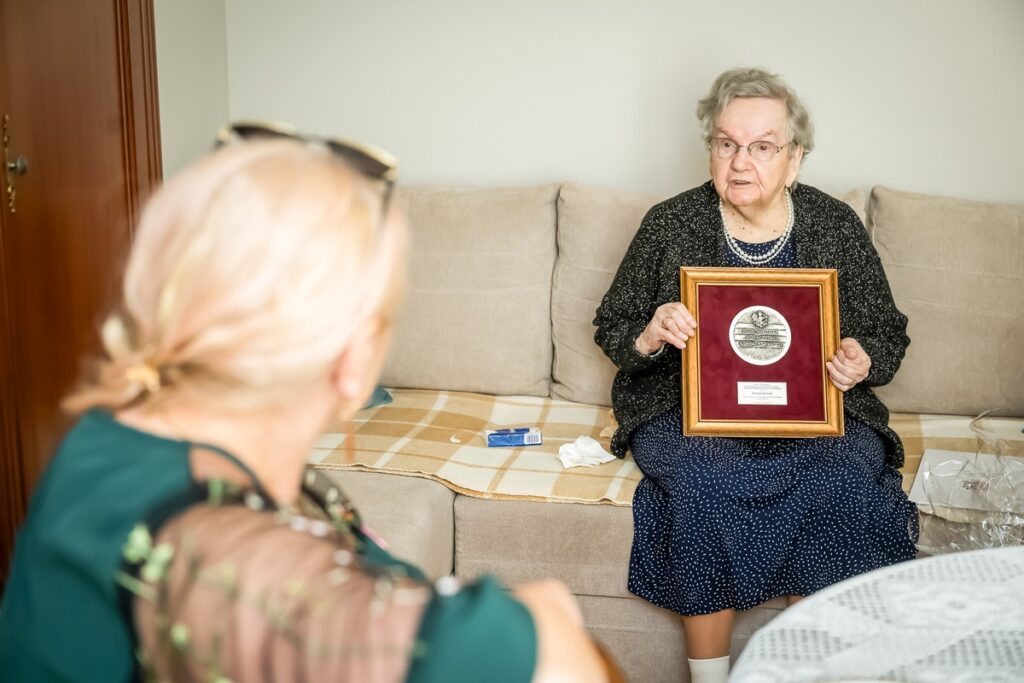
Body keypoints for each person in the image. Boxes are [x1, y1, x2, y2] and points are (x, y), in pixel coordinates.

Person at [0, 123, 618, 682]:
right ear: (352, 363)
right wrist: (544, 616)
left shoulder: (116, 435)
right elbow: (550, 656)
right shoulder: (214, 559)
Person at [594, 68, 917, 683]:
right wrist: (651, 330)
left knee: (842, 485)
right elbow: (613, 325)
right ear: (711, 148)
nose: (741, 161)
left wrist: (860, 357)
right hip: (687, 410)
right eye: (725, 143)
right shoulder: (670, 223)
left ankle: (804, 671)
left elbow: (887, 333)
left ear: (795, 158)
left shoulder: (834, 226)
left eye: (762, 146)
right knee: (704, 486)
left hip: (818, 412)